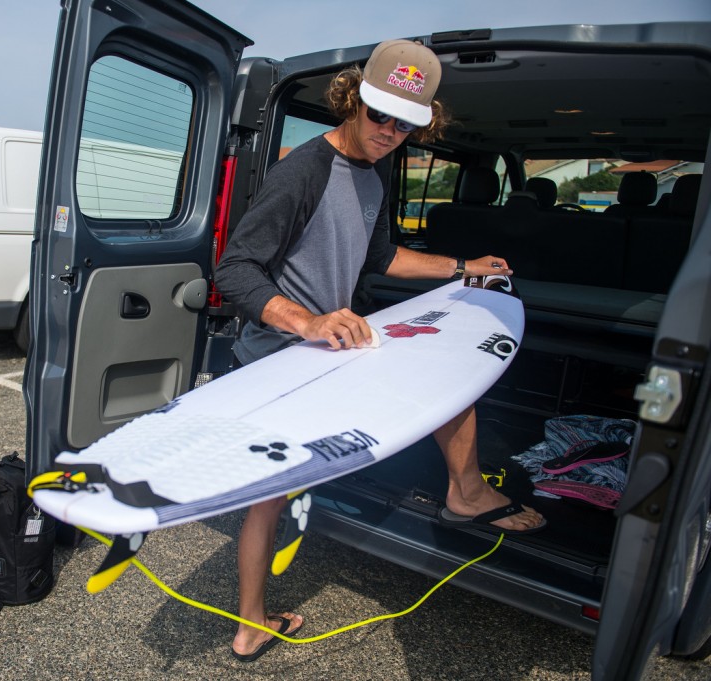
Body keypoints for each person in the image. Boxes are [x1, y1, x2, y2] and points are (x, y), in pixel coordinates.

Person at [214, 39, 546, 663]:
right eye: (380, 115)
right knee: (268, 495)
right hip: (279, 356)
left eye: (406, 122)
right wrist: (307, 322)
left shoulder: (376, 168)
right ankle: (252, 624)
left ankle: (466, 492)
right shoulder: (303, 172)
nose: (391, 131)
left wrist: (462, 268)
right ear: (353, 99)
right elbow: (235, 270)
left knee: (448, 372)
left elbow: (379, 257)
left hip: (331, 344)